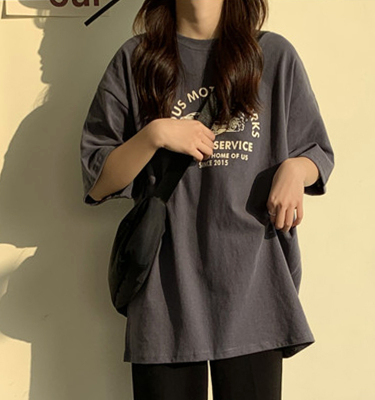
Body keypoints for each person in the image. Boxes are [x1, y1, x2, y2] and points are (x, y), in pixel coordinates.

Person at [80, 0, 335, 399]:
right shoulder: (136, 59)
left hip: (255, 288)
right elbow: (98, 181)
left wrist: (295, 170)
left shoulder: (273, 55)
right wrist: (155, 135)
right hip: (166, 294)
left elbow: (318, 154)